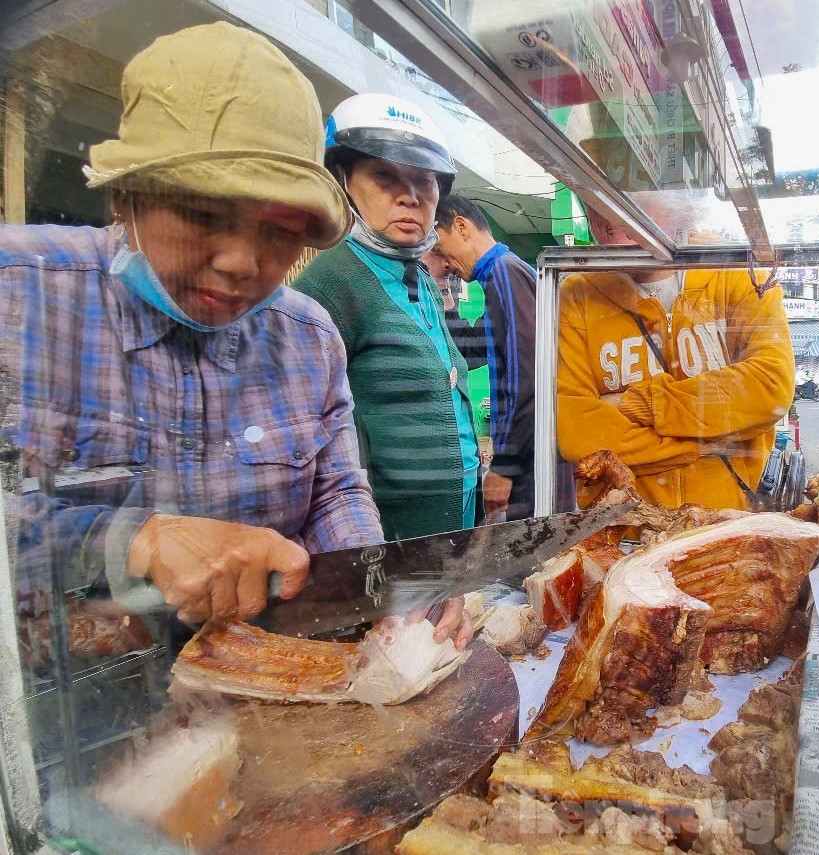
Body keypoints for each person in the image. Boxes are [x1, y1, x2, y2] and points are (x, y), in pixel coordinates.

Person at [0, 24, 471, 646]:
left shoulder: (307, 337)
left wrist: (382, 591)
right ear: (124, 197)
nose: (242, 263)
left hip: (274, 689)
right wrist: (134, 539)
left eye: (280, 231)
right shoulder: (20, 297)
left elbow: (336, 493)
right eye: (204, 215)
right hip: (62, 719)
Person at [293, 94, 483, 539]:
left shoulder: (416, 273)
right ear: (343, 180)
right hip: (389, 539)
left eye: (425, 181)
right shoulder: (332, 283)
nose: (410, 197)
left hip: (452, 527)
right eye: (384, 176)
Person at [556, 208, 794, 510]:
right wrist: (713, 439)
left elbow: (769, 388)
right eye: (593, 203)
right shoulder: (577, 294)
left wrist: (634, 403)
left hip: (727, 523)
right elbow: (577, 434)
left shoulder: (737, 271)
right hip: (625, 529)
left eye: (629, 197)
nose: (608, 221)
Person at [432, 195, 537, 520]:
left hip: (527, 462)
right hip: (526, 456)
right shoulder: (499, 277)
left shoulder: (505, 275)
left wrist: (504, 467)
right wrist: (440, 288)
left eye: (439, 247)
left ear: (461, 227)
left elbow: (526, 378)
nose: (445, 261)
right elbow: (474, 349)